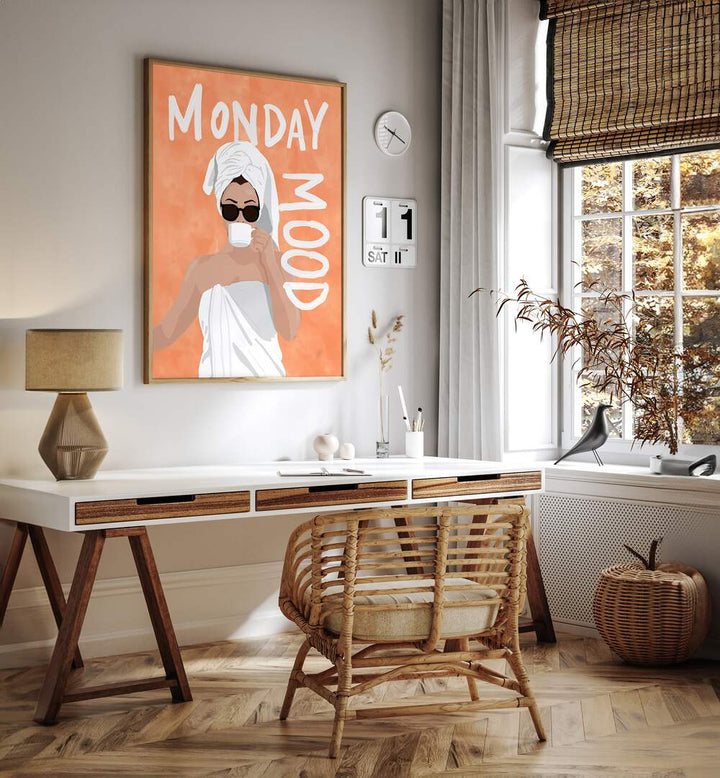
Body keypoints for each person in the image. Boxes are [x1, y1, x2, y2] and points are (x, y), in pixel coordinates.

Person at [153, 141, 301, 377]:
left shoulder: (279, 263)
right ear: (220, 207)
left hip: (268, 388)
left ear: (260, 210)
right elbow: (166, 333)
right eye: (231, 209)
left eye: (250, 209)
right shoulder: (203, 269)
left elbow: (290, 330)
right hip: (211, 391)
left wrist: (269, 263)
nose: (240, 218)